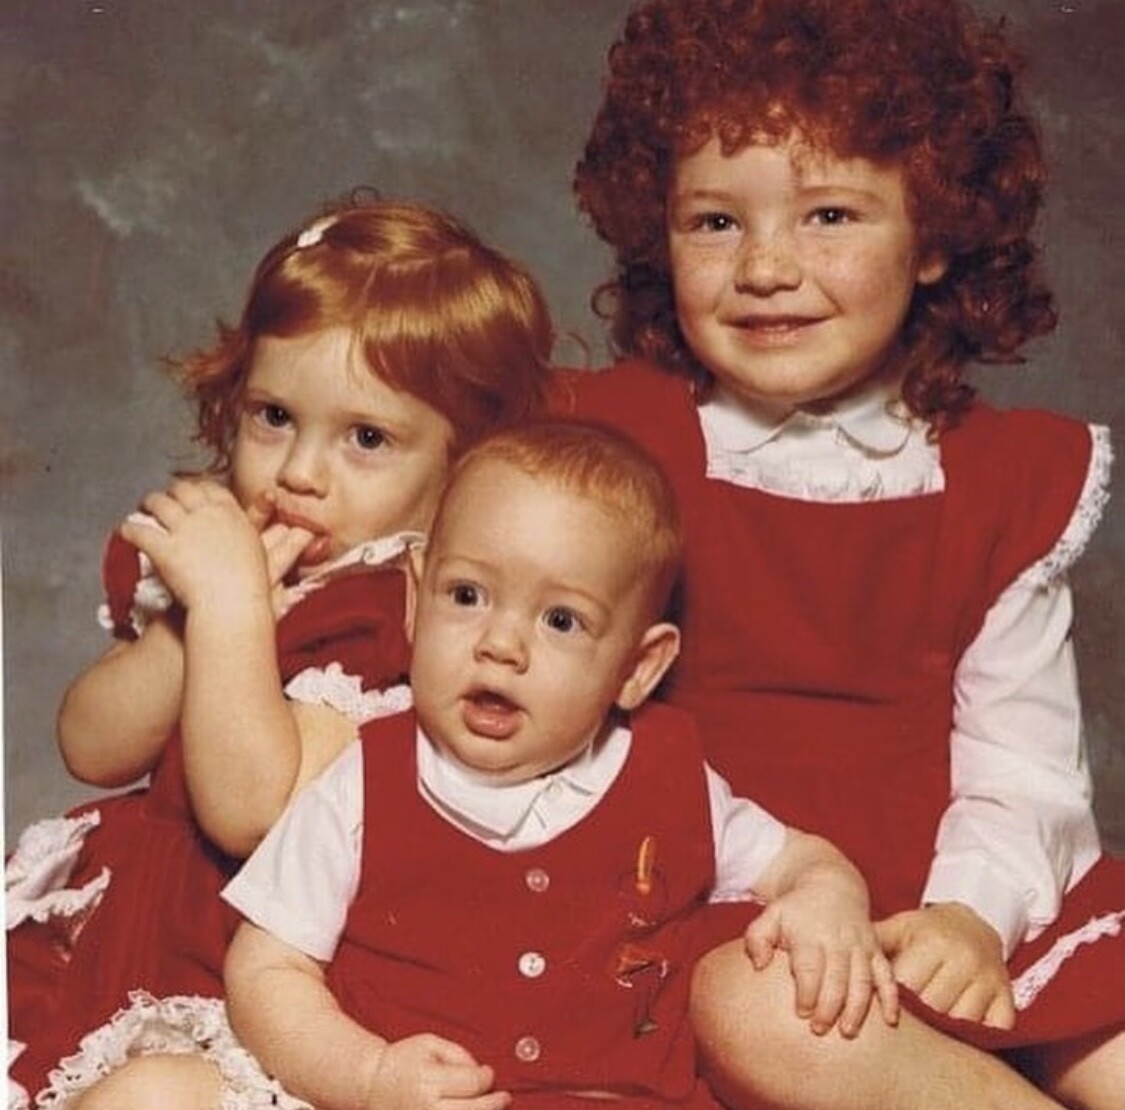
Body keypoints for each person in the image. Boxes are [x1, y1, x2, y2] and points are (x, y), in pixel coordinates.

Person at [555, 1, 1124, 1107]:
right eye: (714, 223)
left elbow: (1026, 773)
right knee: (780, 1013)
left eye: (830, 215)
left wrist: (971, 915)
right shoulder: (609, 445)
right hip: (740, 911)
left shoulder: (1000, 483)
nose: (767, 266)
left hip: (961, 902)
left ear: (939, 239)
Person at [5, 195, 552, 1109]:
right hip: (128, 925)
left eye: (366, 439)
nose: (300, 471)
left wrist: (229, 609)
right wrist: (197, 609)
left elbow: (254, 812)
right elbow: (94, 746)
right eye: (273, 417)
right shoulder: (221, 552)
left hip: (269, 965)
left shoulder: (412, 612)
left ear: (464, 466)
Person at [219, 420, 899, 1110]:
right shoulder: (366, 781)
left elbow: (800, 862)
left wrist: (828, 898)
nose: (501, 644)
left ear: (637, 668)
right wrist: (367, 1078)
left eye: (561, 622)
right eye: (466, 596)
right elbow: (266, 967)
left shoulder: (668, 776)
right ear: (415, 602)